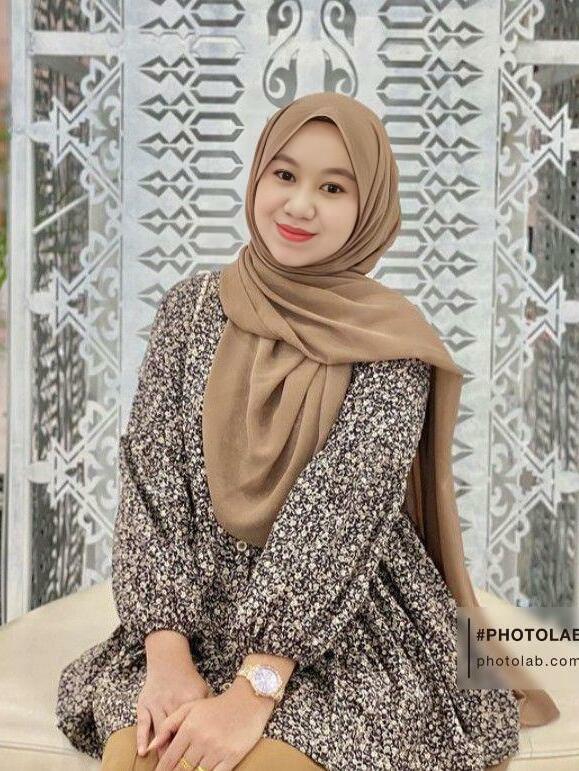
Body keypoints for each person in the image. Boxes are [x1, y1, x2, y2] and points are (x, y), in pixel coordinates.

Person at [55, 91, 559, 771]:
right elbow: (152, 484)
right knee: (140, 755)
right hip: (195, 621)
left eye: (333, 188)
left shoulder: (390, 345)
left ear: (369, 207)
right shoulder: (191, 309)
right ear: (257, 177)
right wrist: (167, 657)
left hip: (346, 632)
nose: (298, 205)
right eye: (284, 175)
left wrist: (254, 691)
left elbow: (339, 518)